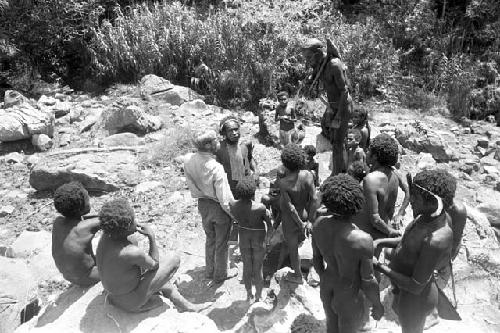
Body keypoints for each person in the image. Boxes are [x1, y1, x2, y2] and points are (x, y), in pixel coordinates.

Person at [373, 170, 454, 333]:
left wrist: (380, 266)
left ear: (432, 201)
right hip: (403, 290)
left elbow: (416, 286)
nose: (410, 200)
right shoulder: (426, 216)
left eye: (415, 197)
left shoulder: (436, 238)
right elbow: (407, 242)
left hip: (415, 300)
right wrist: (379, 242)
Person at [96, 198, 210, 313]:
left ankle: (183, 303)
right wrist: (151, 237)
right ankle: (183, 305)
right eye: (133, 220)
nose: (136, 221)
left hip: (114, 296)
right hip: (131, 302)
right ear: (126, 227)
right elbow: (154, 265)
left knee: (159, 276)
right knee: (173, 259)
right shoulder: (130, 252)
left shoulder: (106, 236)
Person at [312, 174, 384, 333]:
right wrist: (377, 304)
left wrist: (325, 276)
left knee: (331, 327)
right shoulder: (363, 240)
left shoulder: (318, 224)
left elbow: (316, 260)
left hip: (327, 286)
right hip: (348, 295)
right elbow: (368, 279)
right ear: (357, 204)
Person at [184, 130, 238, 284]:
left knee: (210, 238)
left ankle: (209, 270)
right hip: (218, 207)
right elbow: (224, 199)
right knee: (222, 243)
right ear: (208, 145)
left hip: (202, 204)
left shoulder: (188, 159)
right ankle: (220, 274)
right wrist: (234, 215)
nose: (218, 143)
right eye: (215, 141)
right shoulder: (216, 168)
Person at [301, 38, 353, 176]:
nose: (307, 60)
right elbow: (315, 76)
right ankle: (341, 166)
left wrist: (338, 116)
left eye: (308, 56)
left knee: (337, 144)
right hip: (332, 106)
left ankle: (336, 175)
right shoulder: (319, 63)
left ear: (317, 52)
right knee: (330, 134)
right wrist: (310, 81)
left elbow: (344, 91)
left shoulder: (334, 65)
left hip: (343, 106)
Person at [354, 134, 409, 244]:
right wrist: (400, 213)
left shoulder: (372, 179)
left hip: (364, 235)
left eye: (369, 151)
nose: (366, 153)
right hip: (380, 232)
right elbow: (408, 191)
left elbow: (375, 219)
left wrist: (390, 231)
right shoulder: (394, 175)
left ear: (375, 156)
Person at [275, 144, 317, 284]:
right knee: (300, 241)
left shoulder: (283, 183)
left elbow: (289, 207)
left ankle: (297, 275)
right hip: (305, 214)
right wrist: (309, 221)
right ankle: (310, 268)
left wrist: (299, 223)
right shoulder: (308, 176)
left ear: (285, 163)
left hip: (290, 220)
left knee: (293, 248)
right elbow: (315, 198)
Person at [230, 179, 273, 302]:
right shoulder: (260, 207)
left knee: (247, 268)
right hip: (258, 239)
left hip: (243, 237)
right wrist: (268, 241)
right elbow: (270, 226)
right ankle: (259, 296)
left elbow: (235, 221)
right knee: (258, 269)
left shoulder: (233, 205)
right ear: (253, 193)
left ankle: (249, 295)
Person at [51, 181, 100, 287]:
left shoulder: (58, 222)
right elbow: (109, 219)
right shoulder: (86, 228)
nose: (87, 192)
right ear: (81, 207)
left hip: (69, 276)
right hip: (89, 276)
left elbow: (82, 222)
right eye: (86, 196)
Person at [216, 115, 258, 196]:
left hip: (247, 183)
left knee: (249, 205)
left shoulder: (246, 144)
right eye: (230, 131)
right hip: (229, 186)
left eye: (236, 129)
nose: (234, 133)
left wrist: (256, 171)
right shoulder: (219, 148)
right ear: (224, 133)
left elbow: (249, 158)